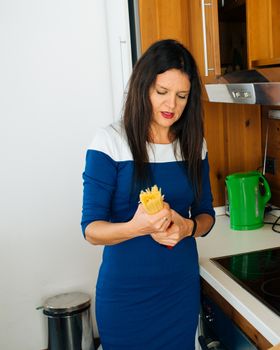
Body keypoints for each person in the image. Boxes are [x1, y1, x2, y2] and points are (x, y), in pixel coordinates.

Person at [81, 39, 215, 349]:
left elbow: (206, 214)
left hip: (179, 290)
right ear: (143, 88)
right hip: (127, 294)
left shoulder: (194, 144)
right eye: (162, 92)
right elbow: (91, 230)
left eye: (182, 96)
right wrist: (138, 227)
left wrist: (188, 227)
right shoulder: (110, 141)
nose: (172, 106)